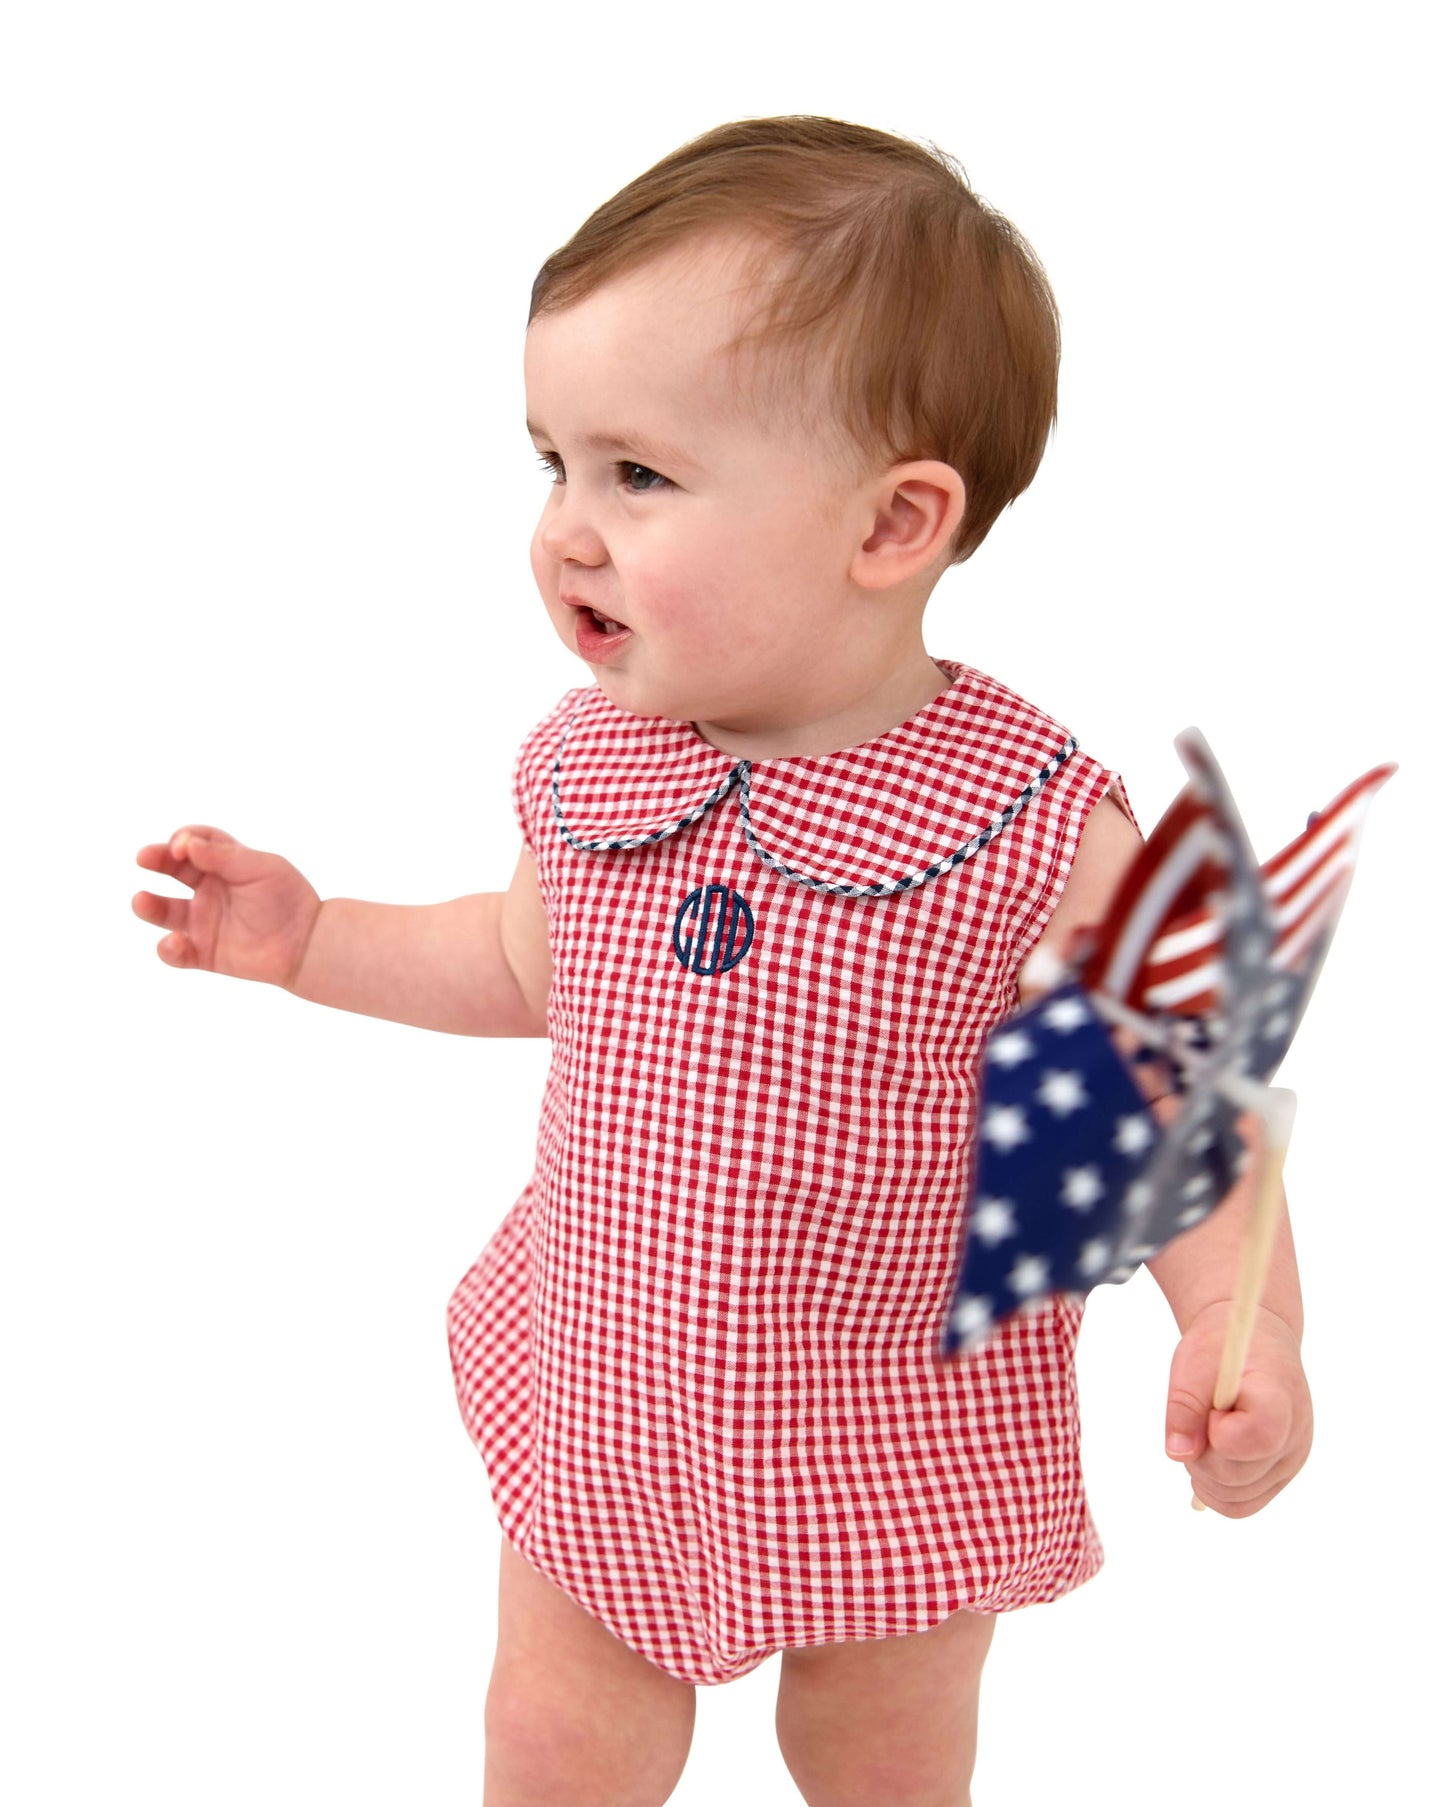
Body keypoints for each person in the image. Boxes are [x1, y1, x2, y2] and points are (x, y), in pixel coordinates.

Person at [133, 116, 1313, 1807]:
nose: (567, 530)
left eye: (639, 474)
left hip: (892, 1417)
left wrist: (1246, 1330)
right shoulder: (596, 756)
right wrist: (315, 941)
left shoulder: (1035, 829)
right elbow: (531, 966)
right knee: (552, 1735)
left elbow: (1178, 1123)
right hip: (610, 1372)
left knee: (879, 1748)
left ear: (892, 524)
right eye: (549, 462)